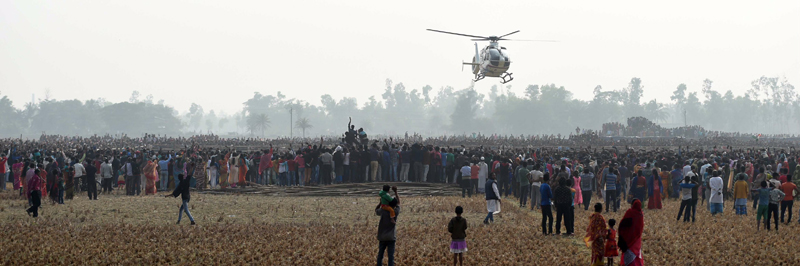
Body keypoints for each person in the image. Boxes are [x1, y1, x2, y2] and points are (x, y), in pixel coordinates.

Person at [376, 186, 400, 266]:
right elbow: (398, 203)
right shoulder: (395, 212)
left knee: (380, 255)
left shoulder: (382, 211)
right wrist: (396, 192)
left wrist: (380, 203)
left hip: (382, 237)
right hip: (391, 237)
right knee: (391, 256)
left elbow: (376, 210)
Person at [618, 199, 644, 266]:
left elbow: (622, 225)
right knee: (636, 254)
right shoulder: (640, 214)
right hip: (637, 239)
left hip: (628, 239)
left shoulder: (630, 212)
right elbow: (640, 227)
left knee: (629, 256)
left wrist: (621, 236)